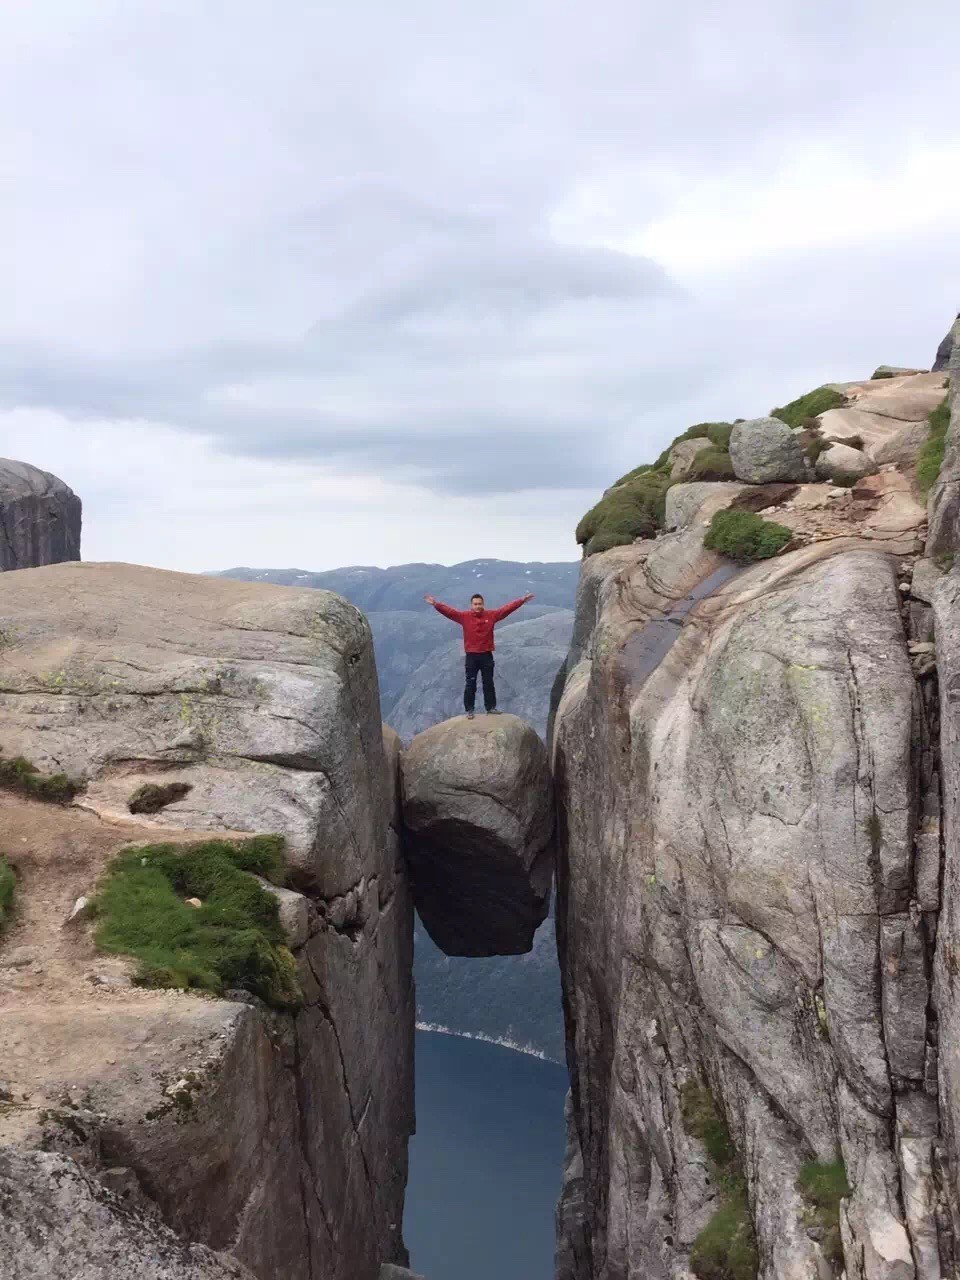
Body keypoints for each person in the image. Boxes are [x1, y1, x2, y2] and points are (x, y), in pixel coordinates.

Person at [423, 590, 534, 719]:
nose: (477, 606)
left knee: (489, 683)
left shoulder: (491, 615)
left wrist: (521, 601)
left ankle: (491, 707)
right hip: (471, 656)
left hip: (486, 654)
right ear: (471, 605)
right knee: (471, 683)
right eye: (475, 604)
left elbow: (506, 610)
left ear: (483, 604)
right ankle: (469, 709)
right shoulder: (464, 617)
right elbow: (450, 612)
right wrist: (435, 604)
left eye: (479, 603)